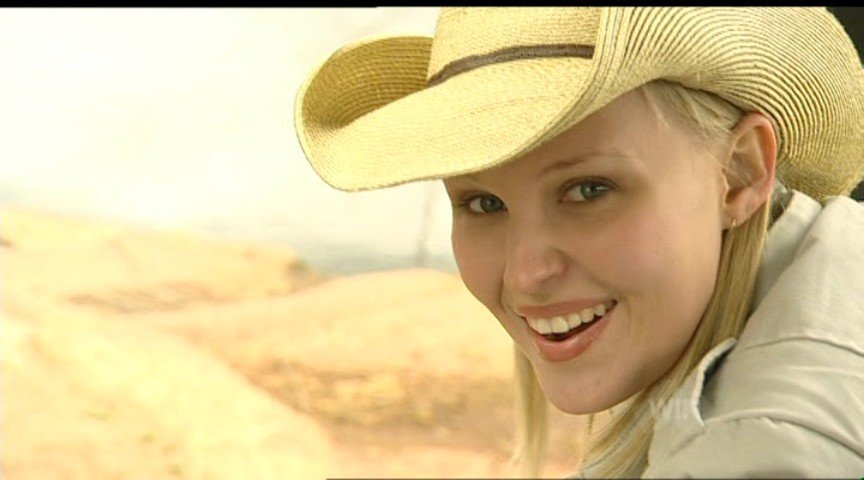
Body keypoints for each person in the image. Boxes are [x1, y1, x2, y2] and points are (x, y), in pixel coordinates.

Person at [294, 7, 864, 478]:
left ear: (740, 174)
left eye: (590, 190)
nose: (525, 275)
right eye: (484, 204)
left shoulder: (759, 448)